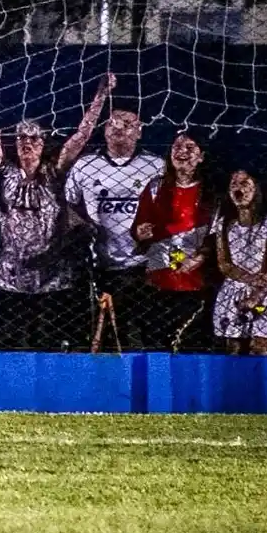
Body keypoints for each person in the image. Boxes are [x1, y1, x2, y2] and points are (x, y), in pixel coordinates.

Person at [0, 63, 113, 349]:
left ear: (43, 143)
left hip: (51, 275)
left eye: (34, 137)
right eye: (21, 136)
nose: (27, 142)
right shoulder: (6, 171)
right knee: (11, 344)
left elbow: (81, 135)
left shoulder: (54, 173)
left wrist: (101, 95)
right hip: (9, 275)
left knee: (48, 343)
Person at [64, 103, 166, 349]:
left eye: (127, 123)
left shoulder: (156, 165)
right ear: (105, 129)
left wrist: (154, 232)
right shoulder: (85, 165)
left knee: (149, 335)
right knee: (107, 339)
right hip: (101, 267)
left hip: (144, 265)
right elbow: (67, 204)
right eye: (113, 122)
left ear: (140, 131)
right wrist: (84, 226)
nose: (119, 127)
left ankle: (151, 372)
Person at [132, 132, 216, 352]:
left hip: (196, 280)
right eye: (177, 147)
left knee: (189, 343)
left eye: (190, 147)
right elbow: (139, 226)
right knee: (156, 342)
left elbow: (218, 233)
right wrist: (140, 232)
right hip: (158, 278)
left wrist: (202, 256)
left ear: (201, 156)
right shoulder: (155, 187)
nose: (182, 152)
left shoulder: (212, 192)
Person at [213, 169, 267, 355]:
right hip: (236, 285)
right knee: (233, 348)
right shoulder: (225, 223)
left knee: (259, 348)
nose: (238, 188)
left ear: (257, 189)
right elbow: (224, 263)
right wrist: (250, 279)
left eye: (245, 183)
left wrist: (257, 295)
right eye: (234, 184)